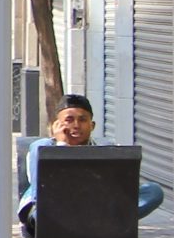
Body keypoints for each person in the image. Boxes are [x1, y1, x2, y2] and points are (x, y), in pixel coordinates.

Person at [19, 94, 165, 229]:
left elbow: (116, 190)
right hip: (51, 211)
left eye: (82, 120)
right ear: (56, 125)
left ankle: (112, 222)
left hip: (92, 209)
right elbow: (42, 192)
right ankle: (112, 223)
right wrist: (62, 146)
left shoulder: (103, 149)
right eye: (69, 120)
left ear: (92, 125)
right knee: (44, 212)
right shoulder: (41, 147)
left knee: (153, 191)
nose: (76, 125)